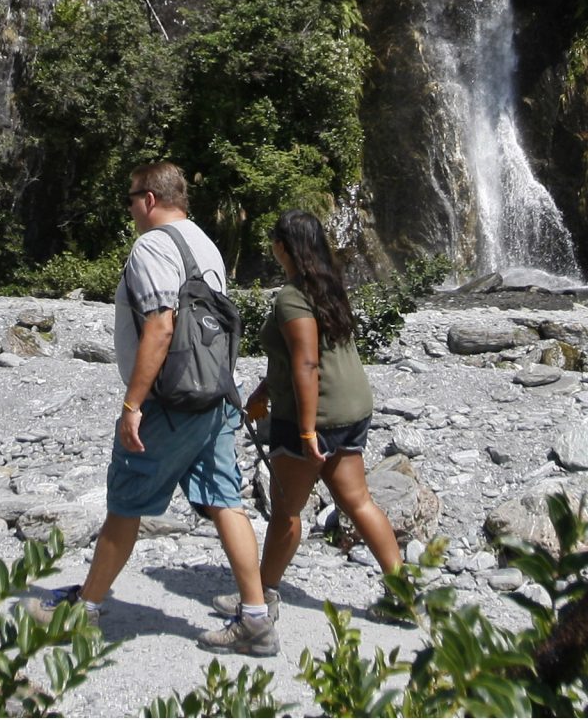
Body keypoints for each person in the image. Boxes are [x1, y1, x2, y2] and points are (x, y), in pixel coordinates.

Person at [24, 162, 275, 655]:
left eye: (130, 199)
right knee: (225, 499)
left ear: (150, 199)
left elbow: (162, 324)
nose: (129, 210)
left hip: (170, 401)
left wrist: (133, 404)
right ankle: (255, 616)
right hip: (217, 394)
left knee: (126, 502)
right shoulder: (206, 244)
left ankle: (86, 607)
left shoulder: (151, 246)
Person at [226, 209, 402, 620]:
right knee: (358, 502)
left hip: (315, 417)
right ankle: (403, 593)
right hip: (351, 406)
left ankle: (261, 596)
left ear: (282, 246)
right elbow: (302, 357)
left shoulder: (291, 297)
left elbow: (306, 364)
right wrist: (264, 391)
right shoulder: (328, 286)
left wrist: (305, 432)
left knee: (286, 511)